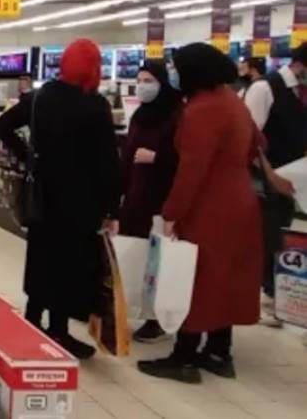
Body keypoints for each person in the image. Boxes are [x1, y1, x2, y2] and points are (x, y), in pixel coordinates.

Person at [137, 43, 266, 383]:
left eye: (176, 67)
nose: (173, 73)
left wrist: (172, 212)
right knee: (224, 278)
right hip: (239, 200)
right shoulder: (231, 101)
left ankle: (184, 357)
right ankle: (219, 351)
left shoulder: (202, 110)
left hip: (210, 205)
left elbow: (192, 170)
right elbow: (258, 145)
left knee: (194, 278)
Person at [23, 39, 120, 359]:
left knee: (41, 259)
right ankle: (58, 330)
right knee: (68, 265)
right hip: (81, 201)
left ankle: (31, 320)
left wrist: (29, 159)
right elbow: (107, 162)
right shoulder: (95, 105)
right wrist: (112, 207)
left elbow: (2, 126)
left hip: (43, 196)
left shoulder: (40, 97)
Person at [119, 60, 182, 343]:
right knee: (136, 255)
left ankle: (155, 319)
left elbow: (185, 158)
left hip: (160, 198)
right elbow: (127, 155)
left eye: (149, 81)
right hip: (136, 196)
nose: (143, 86)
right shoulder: (140, 116)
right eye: (140, 80)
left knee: (157, 261)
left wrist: (158, 158)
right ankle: (135, 308)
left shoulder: (175, 116)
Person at [242, 50, 304, 325]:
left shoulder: (299, 93)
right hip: (264, 180)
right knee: (265, 235)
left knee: (280, 233)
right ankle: (261, 296)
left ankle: (273, 293)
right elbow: (249, 140)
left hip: (292, 179)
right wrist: (270, 176)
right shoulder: (264, 88)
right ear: (299, 65)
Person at [0, 72, 35, 162]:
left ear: (30, 81)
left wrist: (24, 155)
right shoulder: (34, 98)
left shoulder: (31, 100)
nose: (21, 82)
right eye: (21, 80)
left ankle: (27, 158)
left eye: (25, 80)